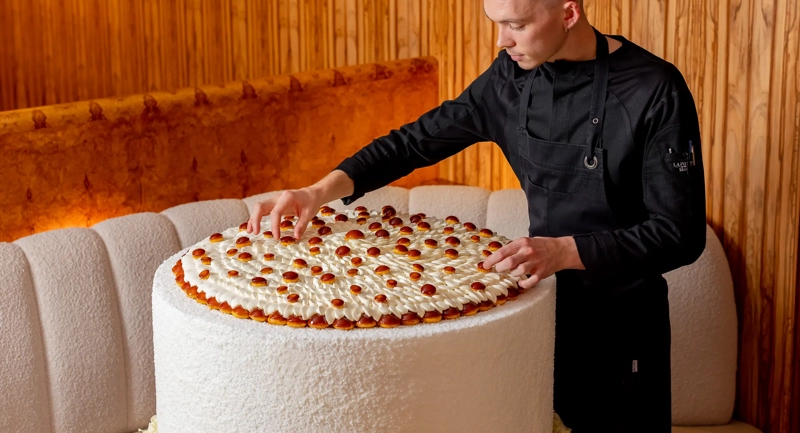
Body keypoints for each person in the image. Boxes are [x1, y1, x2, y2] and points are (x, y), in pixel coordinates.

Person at [247, 0, 707, 431]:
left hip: (624, 326)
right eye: (497, 23)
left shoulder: (654, 88)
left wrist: (562, 250)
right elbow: (416, 140)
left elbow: (679, 234)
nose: (502, 41)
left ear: (568, 12)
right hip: (538, 311)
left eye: (516, 24)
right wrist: (318, 191)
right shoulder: (510, 78)